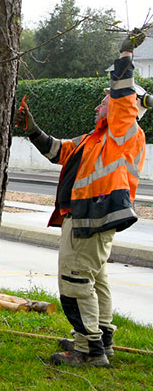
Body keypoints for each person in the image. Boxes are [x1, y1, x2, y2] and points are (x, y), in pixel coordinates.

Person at [15, 29, 150, 367]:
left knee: (75, 281)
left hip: (93, 216)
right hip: (93, 217)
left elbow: (122, 97)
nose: (97, 104)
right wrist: (32, 130)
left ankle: (88, 350)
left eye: (103, 100)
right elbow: (60, 152)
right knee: (96, 280)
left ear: (125, 106)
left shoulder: (124, 131)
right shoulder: (97, 138)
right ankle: (99, 338)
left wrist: (124, 56)